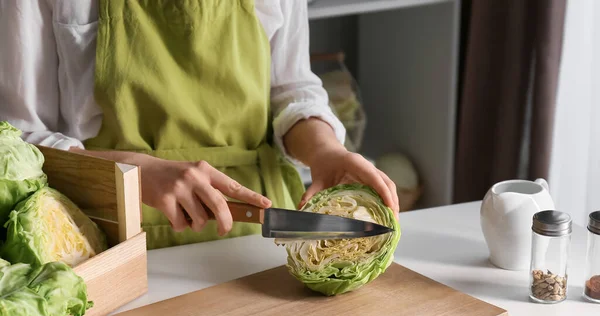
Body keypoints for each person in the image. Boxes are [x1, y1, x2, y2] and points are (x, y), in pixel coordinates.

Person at [0, 0, 399, 250]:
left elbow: (290, 89)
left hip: (258, 236)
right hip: (110, 233)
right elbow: (18, 140)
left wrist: (324, 150)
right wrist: (133, 172)